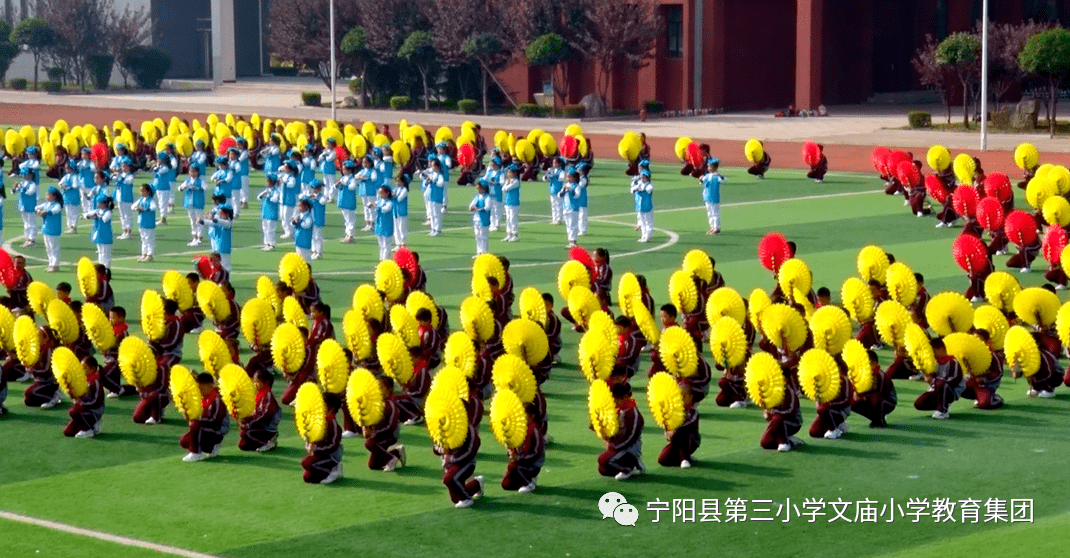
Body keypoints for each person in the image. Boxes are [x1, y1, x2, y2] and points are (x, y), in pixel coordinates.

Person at [180, 373, 231, 462]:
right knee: (184, 441)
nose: (199, 389)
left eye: (201, 387)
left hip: (216, 429)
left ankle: (196, 453)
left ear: (209, 385)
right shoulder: (202, 398)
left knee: (195, 424)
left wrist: (197, 420)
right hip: (205, 427)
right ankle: (210, 447)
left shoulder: (217, 399)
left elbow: (216, 420)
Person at [598, 383, 645, 480]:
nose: (614, 403)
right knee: (602, 469)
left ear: (626, 397)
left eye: (615, 400)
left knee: (604, 460)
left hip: (629, 448)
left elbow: (631, 437)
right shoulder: (619, 410)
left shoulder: (633, 414)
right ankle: (628, 464)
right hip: (617, 446)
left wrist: (613, 446)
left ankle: (629, 467)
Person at [913, 338, 965, 420]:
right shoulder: (934, 363)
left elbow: (954, 380)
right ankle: (940, 405)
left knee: (941, 383)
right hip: (936, 389)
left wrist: (933, 381)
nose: (932, 354)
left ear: (941, 349)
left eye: (933, 351)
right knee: (919, 403)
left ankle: (943, 410)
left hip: (950, 391)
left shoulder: (952, 361)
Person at [364, 376, 406, 471]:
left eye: (380, 388)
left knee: (369, 443)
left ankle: (391, 458)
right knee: (373, 465)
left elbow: (391, 426)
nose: (377, 390)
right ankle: (396, 453)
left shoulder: (391, 404)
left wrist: (375, 433)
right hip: (378, 437)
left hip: (389, 436)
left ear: (389, 389)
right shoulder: (376, 404)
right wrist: (366, 428)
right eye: (376, 388)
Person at [437, 423, 484, 508]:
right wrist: (442, 449)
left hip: (466, 462)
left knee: (450, 479)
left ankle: (466, 499)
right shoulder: (440, 429)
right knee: (455, 498)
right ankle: (476, 484)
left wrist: (451, 458)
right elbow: (435, 447)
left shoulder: (468, 429)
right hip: (450, 464)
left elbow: (471, 450)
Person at [656, 381, 699, 468]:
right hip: (674, 441)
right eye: (678, 397)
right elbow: (667, 425)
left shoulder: (693, 411)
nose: (681, 400)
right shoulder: (672, 411)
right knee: (662, 460)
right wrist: (667, 430)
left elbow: (688, 424)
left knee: (682, 432)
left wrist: (674, 430)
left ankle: (685, 458)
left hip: (691, 440)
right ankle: (681, 457)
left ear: (691, 397)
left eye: (684, 397)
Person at [850, 349, 897, 427]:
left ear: (874, 363)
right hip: (870, 399)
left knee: (876, 398)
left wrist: (864, 397)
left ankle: (879, 420)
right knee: (851, 402)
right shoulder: (860, 375)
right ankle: (875, 418)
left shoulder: (880, 376)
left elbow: (881, 395)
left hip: (888, 401)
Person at [759, 368, 803, 452]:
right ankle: (791, 440)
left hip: (793, 422)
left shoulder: (790, 392)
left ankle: (785, 442)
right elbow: (770, 415)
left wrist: (772, 413)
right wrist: (766, 411)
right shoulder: (773, 392)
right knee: (765, 442)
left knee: (777, 419)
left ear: (785, 379)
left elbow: (790, 412)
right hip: (777, 421)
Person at [238, 369, 281, 452]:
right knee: (243, 444)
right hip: (259, 425)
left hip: (266, 428)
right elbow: (255, 413)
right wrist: (246, 419)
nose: (255, 384)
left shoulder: (268, 395)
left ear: (266, 382)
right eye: (254, 382)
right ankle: (261, 441)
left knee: (246, 433)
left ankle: (269, 441)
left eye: (257, 382)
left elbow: (265, 416)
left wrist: (250, 424)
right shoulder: (259, 394)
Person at [501, 410, 545, 492]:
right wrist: (510, 451)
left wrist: (517, 457)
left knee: (513, 466)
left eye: (525, 416)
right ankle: (524, 479)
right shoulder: (519, 429)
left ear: (531, 416)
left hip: (532, 463)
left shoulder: (534, 430)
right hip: (521, 460)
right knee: (506, 485)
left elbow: (536, 454)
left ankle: (529, 482)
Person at [302, 398, 344, 484]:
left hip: (330, 456)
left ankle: (334, 469)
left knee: (308, 463)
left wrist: (316, 448)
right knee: (307, 477)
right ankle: (325, 470)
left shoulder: (332, 422)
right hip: (320, 454)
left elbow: (333, 445)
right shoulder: (320, 421)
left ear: (331, 409)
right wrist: (309, 444)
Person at [63, 357, 105, 438]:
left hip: (94, 410)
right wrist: (69, 388)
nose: (82, 370)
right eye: (81, 368)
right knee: (67, 432)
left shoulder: (95, 382)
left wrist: (81, 403)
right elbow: (77, 396)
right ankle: (91, 425)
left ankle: (88, 430)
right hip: (84, 409)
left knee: (73, 411)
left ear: (92, 369)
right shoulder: (83, 380)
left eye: (84, 368)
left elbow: (97, 402)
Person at [101, 306, 132, 397]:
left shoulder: (122, 333)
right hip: (111, 359)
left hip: (116, 361)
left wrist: (104, 346)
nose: (111, 320)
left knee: (103, 375)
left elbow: (114, 345)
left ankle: (117, 389)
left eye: (113, 318)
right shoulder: (113, 330)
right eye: (110, 317)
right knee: (114, 377)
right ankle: (121, 389)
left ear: (121, 318)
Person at [35, 186, 63, 272]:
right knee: (48, 247)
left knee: (54, 247)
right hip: (46, 228)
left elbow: (54, 211)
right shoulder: (46, 204)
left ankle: (55, 264)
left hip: (53, 229)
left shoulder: (57, 205)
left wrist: (45, 211)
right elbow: (36, 208)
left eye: (49, 194)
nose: (47, 196)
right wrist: (39, 212)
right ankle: (50, 263)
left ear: (54, 196)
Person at [178, 164, 206, 246]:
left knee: (199, 220)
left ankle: (199, 237)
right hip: (189, 203)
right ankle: (194, 237)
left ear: (197, 173)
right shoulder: (187, 181)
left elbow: (206, 187)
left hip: (198, 203)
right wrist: (184, 187)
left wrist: (197, 187)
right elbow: (180, 188)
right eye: (191, 171)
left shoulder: (200, 181)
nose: (193, 173)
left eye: (194, 171)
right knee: (192, 220)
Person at [84, 196, 114, 268]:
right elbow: (86, 215)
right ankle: (101, 267)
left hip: (105, 234)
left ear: (105, 204)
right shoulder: (98, 211)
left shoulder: (108, 212)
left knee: (105, 253)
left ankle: (106, 269)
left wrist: (97, 215)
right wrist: (91, 215)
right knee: (100, 252)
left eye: (100, 203)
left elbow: (105, 218)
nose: (98, 205)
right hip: (98, 233)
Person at [699, 159, 725, 235]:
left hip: (714, 197)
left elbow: (724, 180)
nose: (708, 168)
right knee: (710, 213)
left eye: (710, 166)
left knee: (715, 213)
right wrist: (701, 178)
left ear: (714, 167)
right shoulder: (707, 176)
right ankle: (712, 226)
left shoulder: (717, 177)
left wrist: (720, 175)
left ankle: (716, 227)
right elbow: (702, 180)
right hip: (707, 196)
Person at [14, 167, 38, 248]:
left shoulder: (33, 184)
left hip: (30, 206)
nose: (24, 176)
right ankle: (27, 238)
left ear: (30, 175)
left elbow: (29, 192)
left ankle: (32, 239)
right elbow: (14, 191)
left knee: (32, 223)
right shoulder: (22, 183)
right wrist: (15, 187)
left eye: (26, 174)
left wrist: (21, 187)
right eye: (23, 175)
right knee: (26, 223)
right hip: (23, 206)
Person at [205, 206, 234, 272]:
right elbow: (209, 222)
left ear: (227, 214)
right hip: (217, 248)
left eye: (222, 213)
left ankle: (225, 281)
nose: (220, 214)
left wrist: (211, 218)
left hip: (224, 249)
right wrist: (201, 219)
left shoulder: (227, 223)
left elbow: (218, 221)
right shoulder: (220, 222)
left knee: (225, 266)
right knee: (216, 266)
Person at [422, 159, 446, 237]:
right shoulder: (432, 174)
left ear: (436, 166)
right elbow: (427, 184)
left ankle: (437, 229)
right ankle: (433, 229)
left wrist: (433, 180)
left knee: (436, 214)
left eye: (433, 166)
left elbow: (441, 183)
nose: (431, 167)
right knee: (432, 213)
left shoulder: (439, 175)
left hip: (436, 197)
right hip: (430, 196)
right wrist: (427, 180)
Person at [134, 184, 157, 262]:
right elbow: (133, 206)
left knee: (149, 239)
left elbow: (153, 207)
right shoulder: (140, 200)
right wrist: (136, 208)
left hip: (149, 223)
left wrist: (144, 209)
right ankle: (144, 253)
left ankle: (149, 254)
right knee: (143, 239)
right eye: (141, 191)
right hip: (141, 222)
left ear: (148, 191)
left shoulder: (150, 200)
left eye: (143, 191)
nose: (141, 193)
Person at [257, 173, 280, 251]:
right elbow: (258, 197)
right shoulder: (267, 190)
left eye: (268, 181)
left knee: (271, 228)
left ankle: (271, 243)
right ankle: (266, 243)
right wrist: (263, 194)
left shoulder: (276, 190)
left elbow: (275, 200)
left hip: (272, 212)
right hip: (265, 211)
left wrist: (269, 195)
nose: (266, 183)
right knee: (265, 228)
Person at [370, 186, 394, 261]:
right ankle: (382, 260)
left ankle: (385, 259)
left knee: (386, 244)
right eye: (379, 193)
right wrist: (371, 205)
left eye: (382, 193)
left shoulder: (390, 202)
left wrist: (376, 206)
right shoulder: (380, 201)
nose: (380, 195)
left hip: (387, 225)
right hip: (379, 224)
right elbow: (372, 205)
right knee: (381, 244)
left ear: (387, 193)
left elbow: (386, 209)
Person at [357, 155, 380, 231]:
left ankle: (372, 223)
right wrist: (359, 177)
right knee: (365, 207)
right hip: (363, 191)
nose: (364, 164)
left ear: (370, 163)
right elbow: (355, 176)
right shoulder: (362, 171)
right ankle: (367, 222)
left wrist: (365, 177)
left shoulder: (372, 171)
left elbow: (374, 178)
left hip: (370, 191)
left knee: (371, 207)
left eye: (366, 162)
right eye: (363, 162)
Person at [337, 160, 358, 243]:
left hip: (349, 201)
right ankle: (347, 234)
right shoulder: (343, 178)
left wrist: (344, 183)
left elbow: (352, 187)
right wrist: (338, 184)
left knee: (350, 219)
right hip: (343, 200)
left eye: (345, 169)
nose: (343, 170)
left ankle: (350, 235)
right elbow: (336, 187)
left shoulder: (352, 179)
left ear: (349, 170)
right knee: (346, 219)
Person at [113, 160, 136, 239]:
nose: (124, 168)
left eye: (125, 166)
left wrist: (119, 176)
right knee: (122, 215)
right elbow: (114, 179)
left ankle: (128, 231)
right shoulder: (121, 175)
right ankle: (124, 230)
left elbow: (127, 181)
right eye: (122, 166)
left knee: (128, 215)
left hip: (127, 198)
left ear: (129, 167)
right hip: (120, 198)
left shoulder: (130, 176)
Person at [58, 159, 81, 233]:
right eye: (65, 168)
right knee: (68, 212)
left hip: (73, 196)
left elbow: (75, 185)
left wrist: (66, 187)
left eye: (67, 168)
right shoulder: (66, 176)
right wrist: (61, 185)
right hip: (66, 196)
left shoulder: (75, 176)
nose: (66, 169)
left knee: (73, 211)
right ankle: (69, 226)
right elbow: (60, 182)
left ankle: (73, 226)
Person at [469, 182, 491, 257]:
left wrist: (478, 209)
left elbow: (487, 207)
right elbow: (472, 205)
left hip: (483, 218)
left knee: (483, 236)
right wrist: (472, 208)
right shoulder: (477, 196)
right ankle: (479, 252)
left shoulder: (487, 197)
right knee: (477, 235)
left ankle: (484, 252)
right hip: (476, 218)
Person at [631, 170, 654, 243]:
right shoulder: (639, 184)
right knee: (642, 222)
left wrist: (638, 188)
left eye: (644, 177)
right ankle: (643, 236)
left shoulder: (649, 185)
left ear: (647, 178)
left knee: (648, 222)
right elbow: (632, 190)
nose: (642, 179)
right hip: (639, 206)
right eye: (641, 177)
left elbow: (647, 190)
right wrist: (635, 184)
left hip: (647, 206)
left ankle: (648, 236)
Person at [561, 171, 582, 248]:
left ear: (574, 178)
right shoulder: (565, 185)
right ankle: (570, 240)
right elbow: (560, 195)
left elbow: (576, 195)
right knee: (568, 225)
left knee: (572, 225)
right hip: (565, 208)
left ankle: (573, 241)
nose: (568, 179)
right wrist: (563, 190)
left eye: (570, 177)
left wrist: (570, 189)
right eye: (567, 177)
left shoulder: (577, 186)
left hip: (573, 208)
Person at [279, 160, 299, 239]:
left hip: (289, 199)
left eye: (286, 167)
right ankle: (286, 230)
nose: (284, 168)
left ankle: (290, 231)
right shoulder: (284, 175)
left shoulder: (292, 177)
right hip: (282, 198)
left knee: (287, 216)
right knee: (282, 216)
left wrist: (283, 182)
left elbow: (291, 185)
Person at [309, 180, 328, 260]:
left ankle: (318, 252)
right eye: (313, 188)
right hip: (312, 218)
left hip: (318, 218)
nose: (314, 190)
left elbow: (322, 202)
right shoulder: (311, 196)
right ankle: (314, 251)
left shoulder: (322, 196)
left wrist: (316, 197)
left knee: (318, 236)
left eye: (315, 188)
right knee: (313, 236)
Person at [501, 165, 521, 242]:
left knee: (513, 219)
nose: (508, 174)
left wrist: (507, 183)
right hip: (508, 202)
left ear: (514, 173)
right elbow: (503, 189)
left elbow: (507, 188)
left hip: (514, 203)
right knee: (508, 219)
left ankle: (514, 234)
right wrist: (506, 183)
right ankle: (509, 234)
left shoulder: (516, 181)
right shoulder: (508, 181)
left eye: (509, 172)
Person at [151, 151, 172, 225]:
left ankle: (163, 218)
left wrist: (156, 165)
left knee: (163, 203)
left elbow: (157, 171)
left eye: (159, 159)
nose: (157, 160)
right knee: (160, 203)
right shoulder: (159, 167)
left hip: (164, 188)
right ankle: (162, 217)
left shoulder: (165, 168)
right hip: (158, 187)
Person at [543, 157, 565, 225]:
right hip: (552, 190)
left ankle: (559, 219)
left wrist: (553, 174)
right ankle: (554, 219)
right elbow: (544, 178)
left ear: (559, 163)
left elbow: (561, 178)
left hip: (558, 190)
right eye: (553, 163)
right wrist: (548, 173)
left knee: (558, 205)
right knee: (553, 205)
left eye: (555, 163)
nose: (554, 164)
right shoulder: (552, 171)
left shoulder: (561, 171)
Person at [292, 198, 314, 262]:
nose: (298, 207)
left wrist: (299, 221)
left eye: (300, 206)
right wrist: (294, 220)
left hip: (304, 241)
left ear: (306, 206)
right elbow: (293, 223)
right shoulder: (300, 215)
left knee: (305, 259)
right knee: (298, 259)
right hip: (298, 240)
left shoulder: (308, 217)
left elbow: (307, 225)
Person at [392, 173, 409, 250]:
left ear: (402, 182)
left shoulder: (404, 190)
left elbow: (399, 199)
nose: (397, 183)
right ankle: (398, 244)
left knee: (402, 228)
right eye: (396, 181)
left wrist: (393, 196)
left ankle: (403, 244)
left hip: (402, 211)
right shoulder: (395, 189)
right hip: (395, 211)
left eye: (399, 181)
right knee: (396, 229)